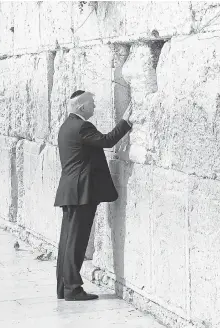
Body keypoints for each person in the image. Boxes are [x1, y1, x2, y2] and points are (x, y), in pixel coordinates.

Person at [54, 90, 132, 301]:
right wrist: (126, 121)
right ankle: (73, 289)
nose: (95, 107)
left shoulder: (66, 126)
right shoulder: (82, 127)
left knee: (67, 241)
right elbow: (107, 141)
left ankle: (64, 287)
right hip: (82, 193)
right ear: (81, 107)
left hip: (70, 191)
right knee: (76, 242)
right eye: (92, 103)